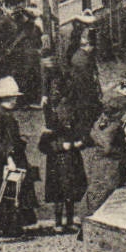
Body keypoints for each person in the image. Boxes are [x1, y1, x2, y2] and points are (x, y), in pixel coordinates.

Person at [0, 76, 35, 237]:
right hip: (3, 160)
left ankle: (12, 225)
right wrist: (9, 158)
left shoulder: (3, 113)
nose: (14, 100)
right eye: (11, 97)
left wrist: (19, 140)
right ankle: (9, 226)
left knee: (11, 191)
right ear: (4, 97)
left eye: (14, 97)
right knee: (7, 192)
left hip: (9, 156)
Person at [39, 96, 88, 234]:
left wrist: (79, 143)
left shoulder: (74, 127)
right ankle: (58, 222)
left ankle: (70, 221)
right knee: (59, 195)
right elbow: (43, 146)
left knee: (71, 194)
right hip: (57, 164)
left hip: (72, 162)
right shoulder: (50, 130)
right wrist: (60, 146)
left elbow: (84, 138)